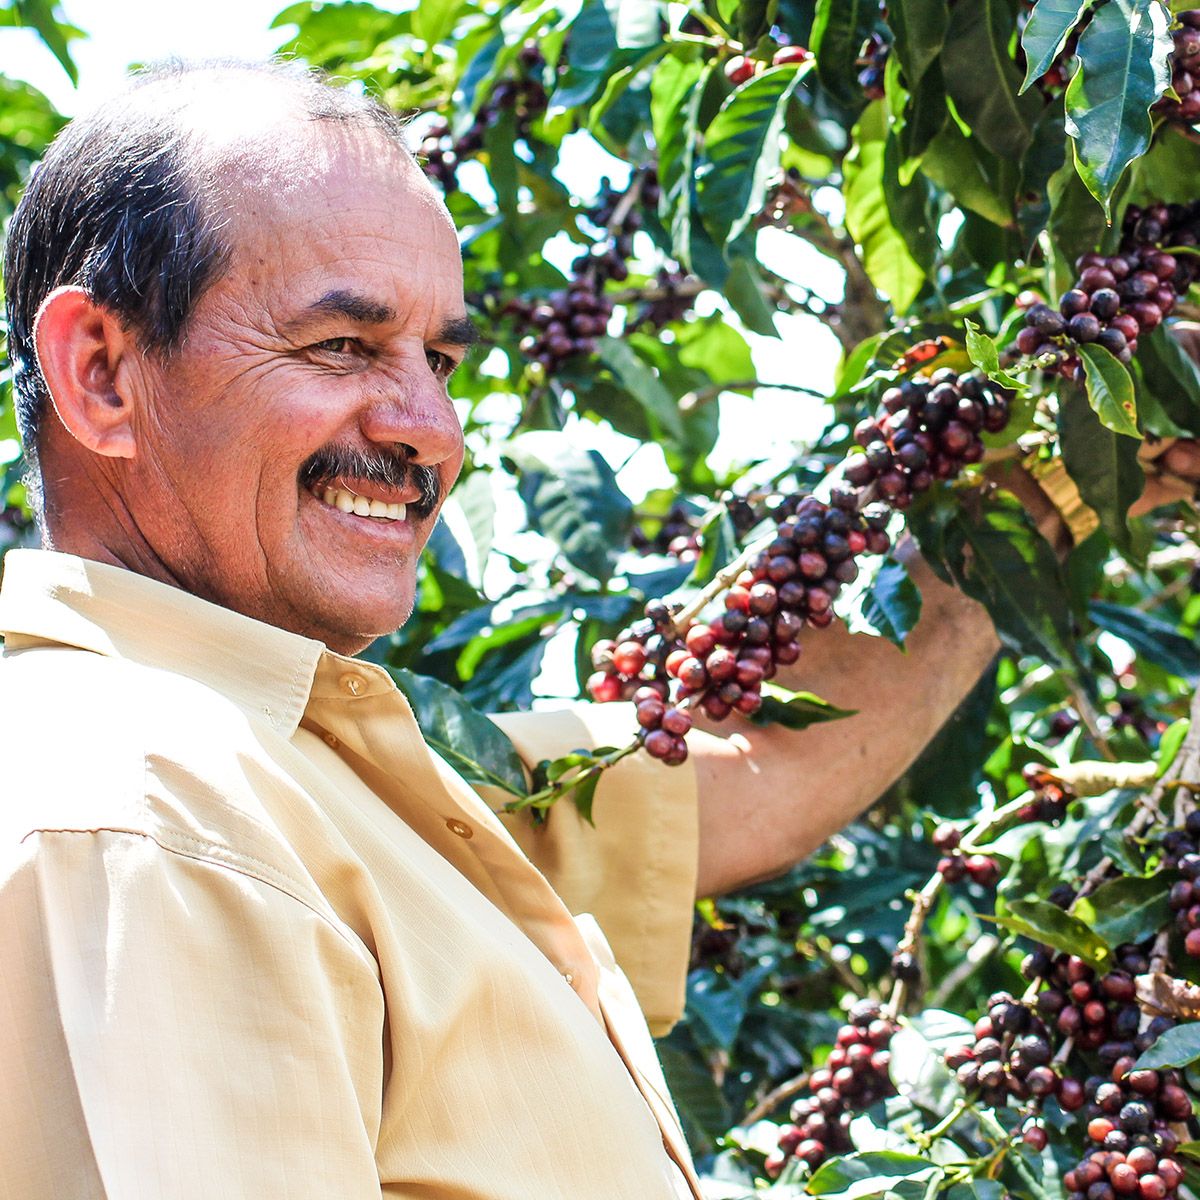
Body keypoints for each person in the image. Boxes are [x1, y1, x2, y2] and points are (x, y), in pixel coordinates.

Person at [0, 59, 1195, 1199]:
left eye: (441, 357)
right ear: (103, 372)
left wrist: (1071, 474)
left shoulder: (334, 771)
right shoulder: (147, 820)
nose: (432, 428)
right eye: (341, 345)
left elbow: (751, 769)